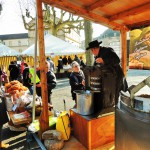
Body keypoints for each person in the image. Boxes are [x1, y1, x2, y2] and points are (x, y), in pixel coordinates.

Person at [86, 40, 128, 105]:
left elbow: (117, 60)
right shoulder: (97, 56)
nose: (92, 52)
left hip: (116, 77)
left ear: (94, 49)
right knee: (108, 97)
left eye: (92, 50)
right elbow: (94, 68)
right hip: (108, 80)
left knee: (116, 96)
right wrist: (87, 80)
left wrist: (104, 60)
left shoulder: (108, 50)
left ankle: (116, 110)